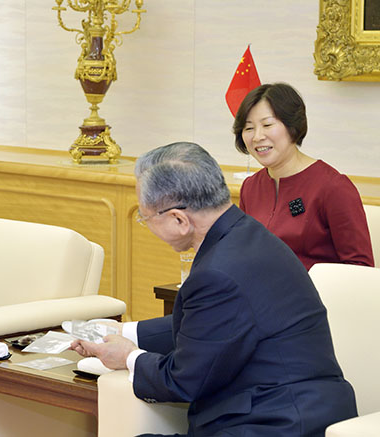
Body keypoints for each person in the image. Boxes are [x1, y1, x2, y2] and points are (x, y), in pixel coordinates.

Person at [71, 142, 357, 436]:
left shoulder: (218, 273)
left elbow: (184, 381)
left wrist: (129, 357)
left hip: (276, 424)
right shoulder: (247, 235)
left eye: (146, 219)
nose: (147, 226)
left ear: (179, 220)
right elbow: (212, 327)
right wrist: (124, 332)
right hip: (298, 410)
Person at [233, 82, 373, 270]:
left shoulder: (333, 187)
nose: (257, 137)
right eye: (249, 128)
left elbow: (359, 268)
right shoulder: (250, 187)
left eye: (267, 124)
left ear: (293, 126)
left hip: (315, 297)